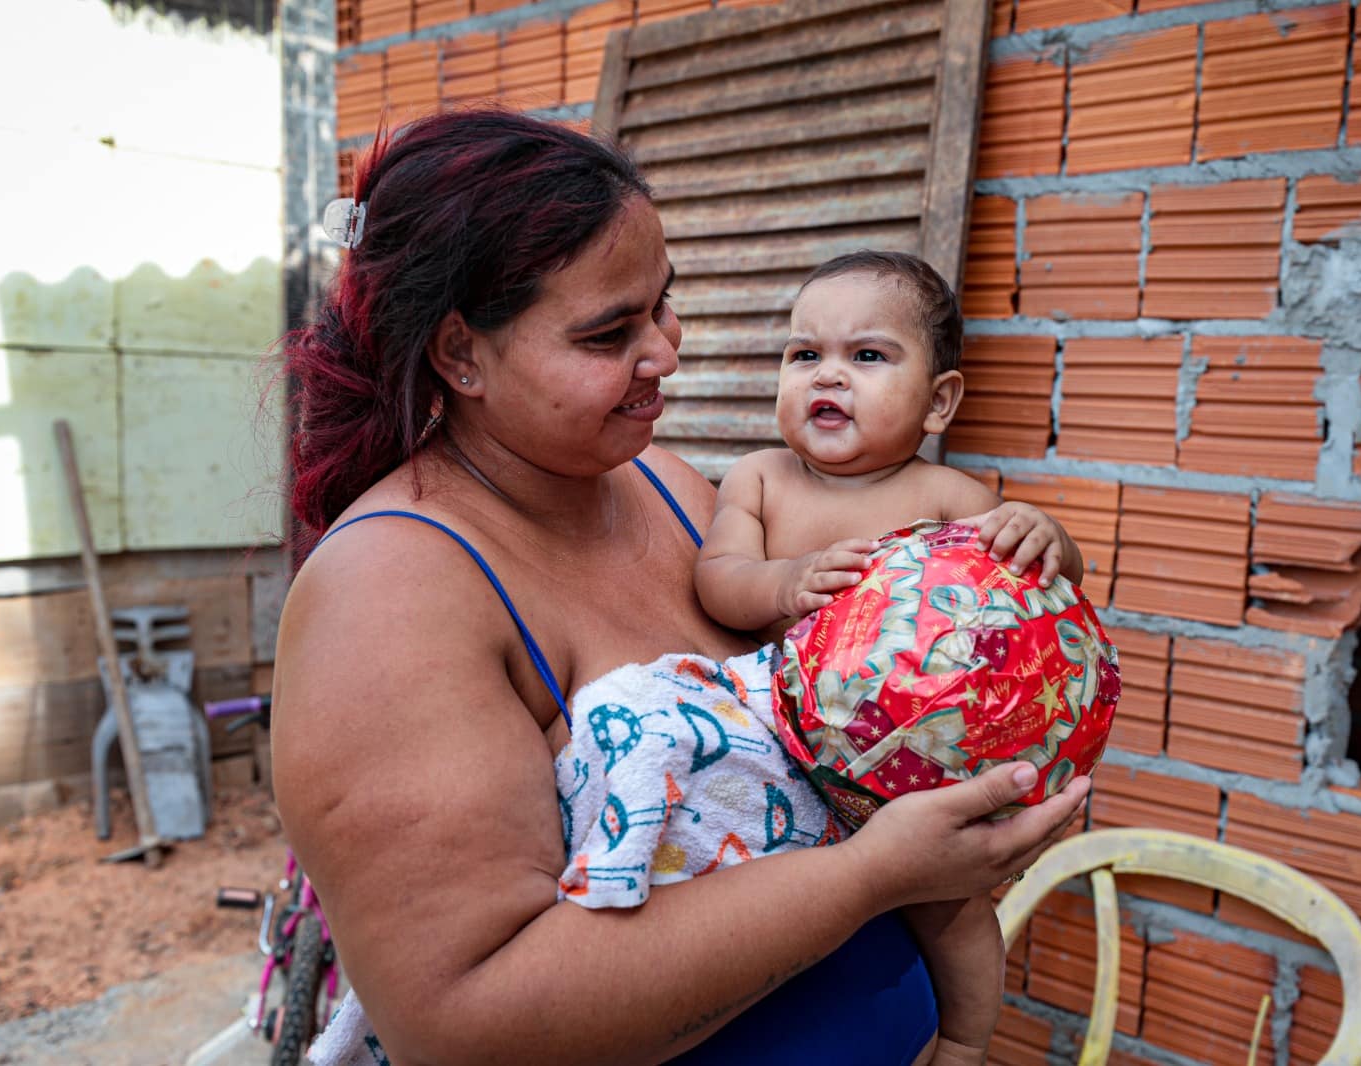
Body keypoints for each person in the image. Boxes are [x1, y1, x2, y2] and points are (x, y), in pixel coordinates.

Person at [272, 108, 1090, 1066]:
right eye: (611, 332)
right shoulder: (390, 592)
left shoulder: (659, 484)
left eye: (663, 303)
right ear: (460, 355)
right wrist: (874, 876)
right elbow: (464, 1022)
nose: (668, 350)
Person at [685, 250, 1087, 1061]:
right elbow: (716, 579)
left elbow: (1044, 595)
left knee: (954, 908)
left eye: (866, 356)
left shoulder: (951, 501)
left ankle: (967, 1040)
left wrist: (1051, 539)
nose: (828, 377)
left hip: (908, 768)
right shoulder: (760, 480)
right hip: (782, 751)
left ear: (939, 403)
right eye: (806, 355)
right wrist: (783, 581)